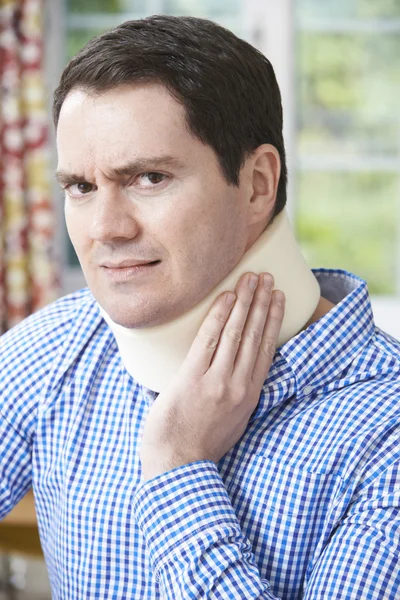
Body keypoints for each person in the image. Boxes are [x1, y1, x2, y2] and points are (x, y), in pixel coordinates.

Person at [1, 15, 399, 599]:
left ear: (259, 183)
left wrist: (179, 466)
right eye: (81, 188)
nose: (105, 229)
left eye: (149, 178)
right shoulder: (57, 346)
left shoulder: (386, 433)